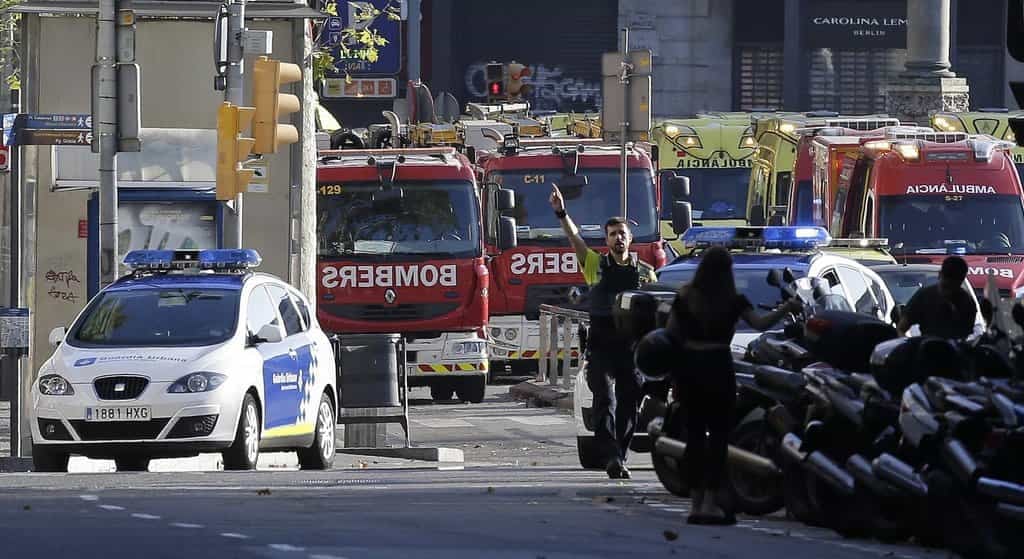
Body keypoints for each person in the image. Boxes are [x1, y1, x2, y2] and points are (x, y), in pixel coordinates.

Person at [666, 247, 801, 525]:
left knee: (693, 437)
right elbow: (761, 323)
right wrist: (787, 307)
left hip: (691, 368)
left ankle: (695, 504)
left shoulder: (685, 296)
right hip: (719, 367)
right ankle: (711, 503)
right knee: (718, 438)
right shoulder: (734, 300)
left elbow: (670, 334)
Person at [550, 184, 656, 479]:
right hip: (601, 346)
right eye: (612, 234)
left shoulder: (646, 272)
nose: (618, 238)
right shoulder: (594, 264)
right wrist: (561, 212)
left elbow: (656, 307)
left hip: (631, 348)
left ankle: (620, 455)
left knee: (628, 402)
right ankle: (610, 454)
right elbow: (574, 237)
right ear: (606, 240)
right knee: (604, 400)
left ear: (630, 238)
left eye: (622, 233)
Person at [896, 256, 977, 339]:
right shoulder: (925, 296)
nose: (948, 292)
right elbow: (901, 328)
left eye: (953, 287)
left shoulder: (967, 302)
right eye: (945, 287)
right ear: (940, 275)